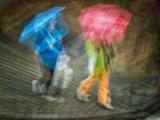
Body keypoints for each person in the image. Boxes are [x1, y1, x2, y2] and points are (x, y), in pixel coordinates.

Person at [76, 38, 114, 110]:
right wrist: (97, 44)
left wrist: (108, 43)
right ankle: (81, 92)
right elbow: (90, 50)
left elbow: (111, 51)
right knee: (91, 79)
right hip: (98, 64)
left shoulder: (107, 36)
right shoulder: (92, 37)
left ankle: (103, 100)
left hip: (106, 63)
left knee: (104, 83)